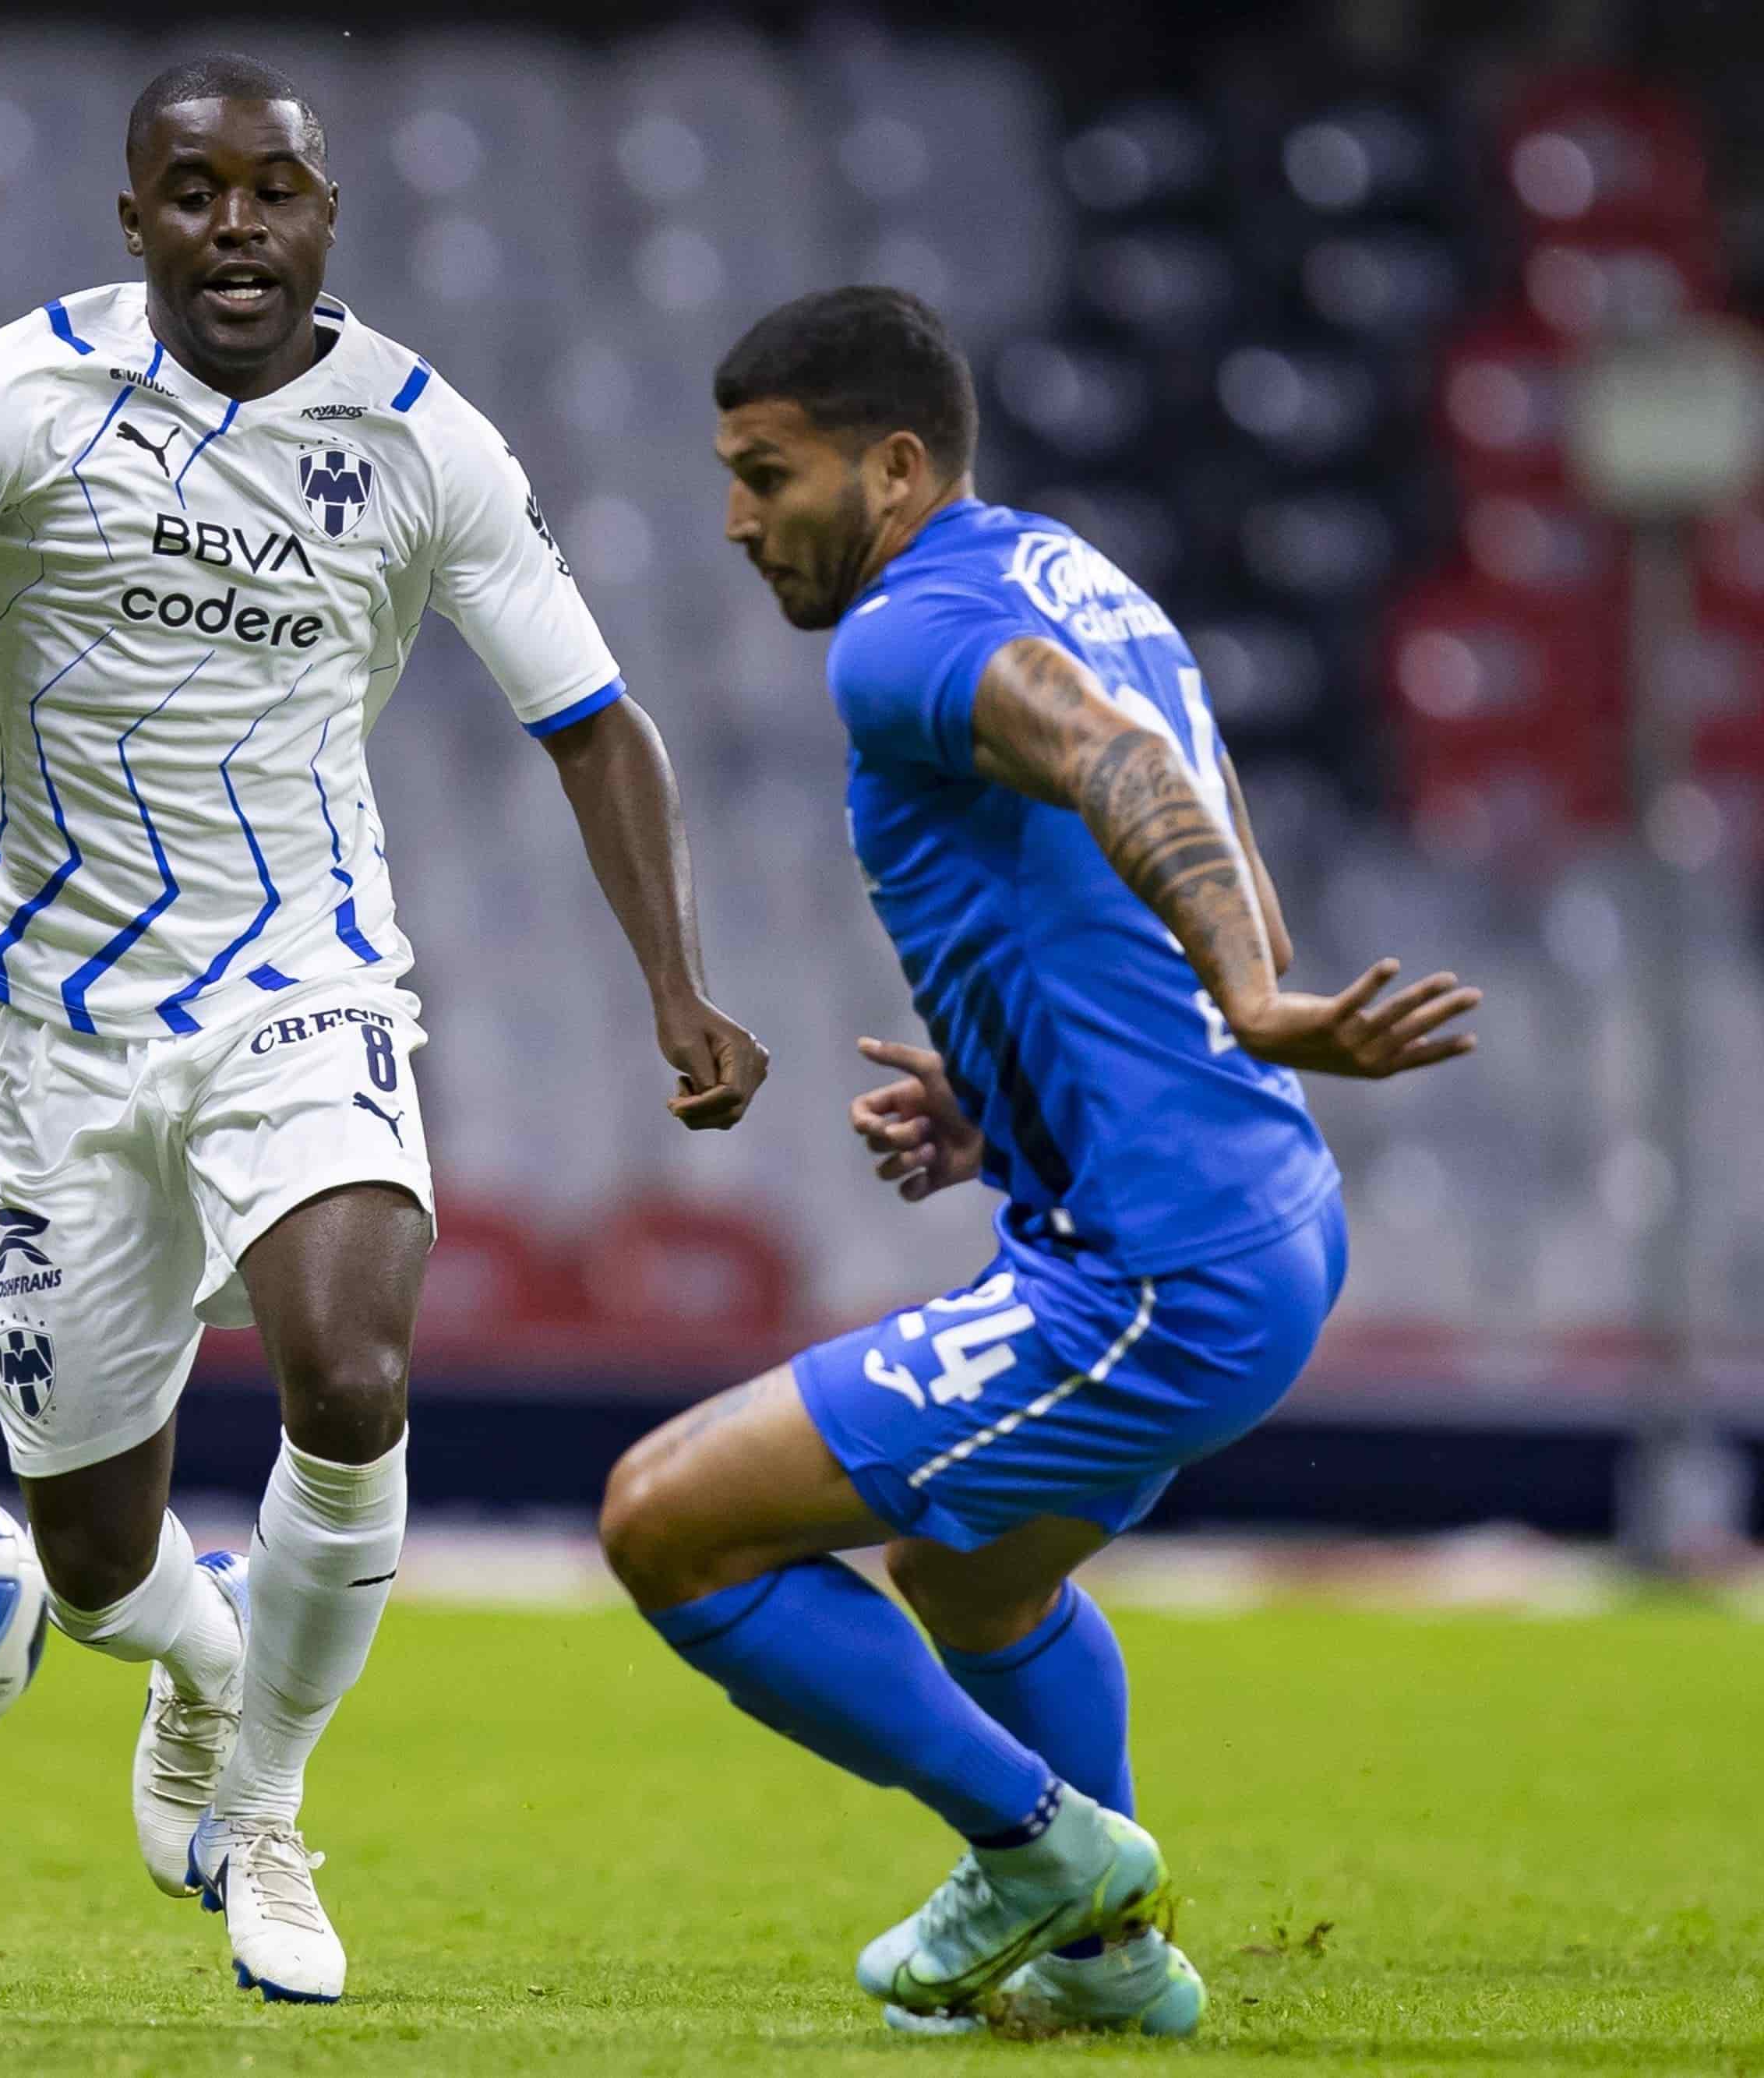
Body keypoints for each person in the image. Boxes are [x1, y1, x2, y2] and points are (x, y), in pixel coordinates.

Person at [0, 52, 768, 2003]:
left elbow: (594, 718)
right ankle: (202, 1678)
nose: (233, 226)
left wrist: (671, 981)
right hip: (37, 1016)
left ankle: (269, 1803)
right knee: (98, 1562)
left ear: (323, 216)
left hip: (301, 977)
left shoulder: (420, 442)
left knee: (350, 1372)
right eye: (189, 192)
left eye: (268, 191)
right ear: (132, 221)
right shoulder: (4, 399)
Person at [594, 286, 1481, 2039]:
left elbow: (1114, 760)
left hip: (1151, 1263)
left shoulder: (901, 633)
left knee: (665, 1525)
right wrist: (1009, 1098)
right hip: (1252, 1218)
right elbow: (1184, 810)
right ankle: (1099, 1962)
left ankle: (1036, 1856)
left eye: (766, 474)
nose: (732, 519)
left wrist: (1247, 989)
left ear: (894, 464)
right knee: (976, 1575)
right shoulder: (1078, 574)